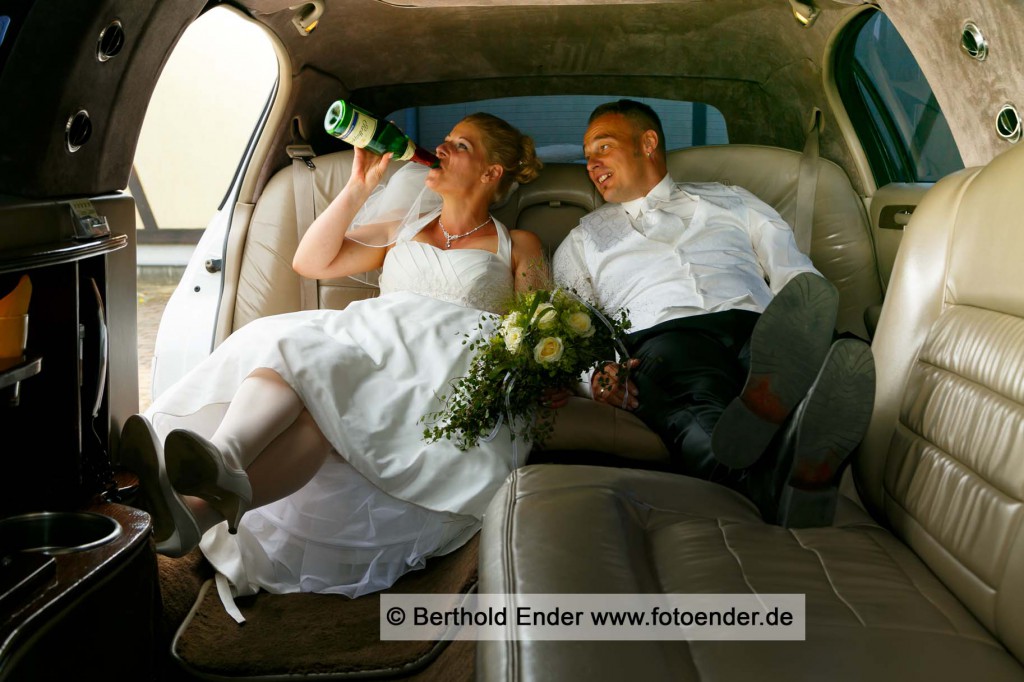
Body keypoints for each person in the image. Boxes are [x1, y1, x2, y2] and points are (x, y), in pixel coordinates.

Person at [121, 112, 546, 601]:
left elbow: (536, 334)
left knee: (318, 391)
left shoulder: (519, 246)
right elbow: (311, 262)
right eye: (445, 140)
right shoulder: (403, 227)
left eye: (460, 145)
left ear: (492, 172)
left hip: (444, 368)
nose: (442, 149)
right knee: (293, 353)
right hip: (374, 342)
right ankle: (216, 477)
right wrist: (359, 189)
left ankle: (210, 492)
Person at [552, 99, 875, 526]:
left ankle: (792, 404)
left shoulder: (733, 201)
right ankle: (792, 464)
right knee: (699, 416)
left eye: (602, 147)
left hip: (762, 332)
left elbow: (793, 272)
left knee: (830, 353)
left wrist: (813, 322)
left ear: (648, 143)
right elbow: (570, 328)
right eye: (587, 155)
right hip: (668, 340)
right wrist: (595, 378)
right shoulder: (583, 240)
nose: (590, 164)